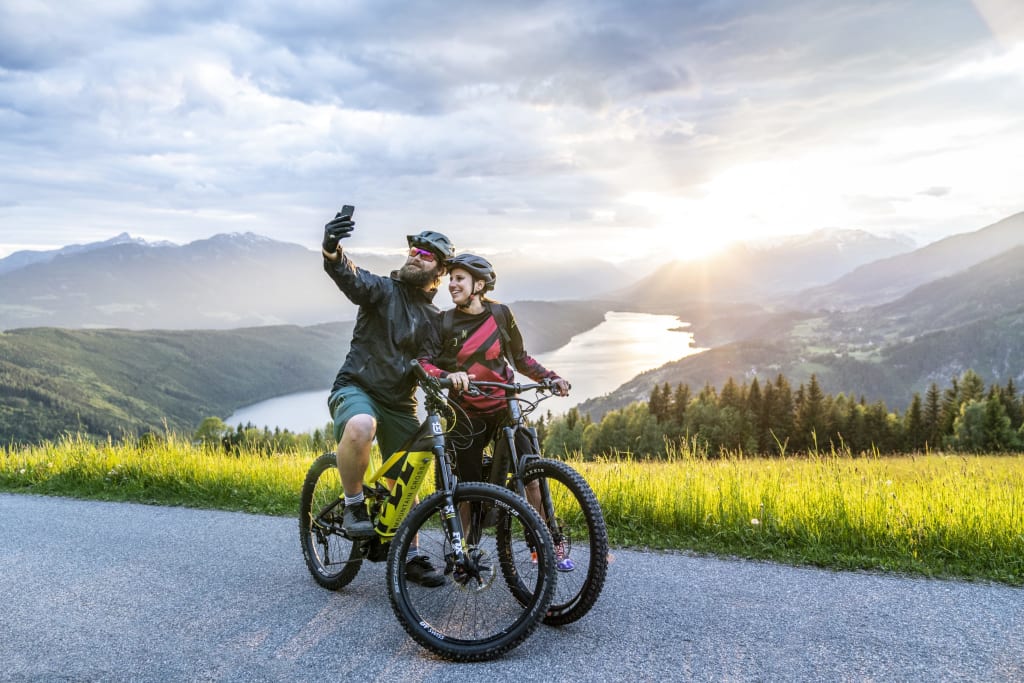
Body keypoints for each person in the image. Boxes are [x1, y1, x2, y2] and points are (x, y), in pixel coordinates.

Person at [416, 253, 575, 571]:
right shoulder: (444, 322)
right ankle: (464, 552)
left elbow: (521, 358)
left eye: (459, 278)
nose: (452, 284)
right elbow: (424, 362)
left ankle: (544, 542)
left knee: (531, 477)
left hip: (505, 407)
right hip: (466, 412)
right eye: (451, 278)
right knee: (466, 488)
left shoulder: (500, 315)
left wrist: (550, 378)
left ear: (478, 284)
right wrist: (448, 377)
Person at [321, 208, 454, 587]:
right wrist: (332, 247)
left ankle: (408, 555)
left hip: (400, 404)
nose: (416, 255)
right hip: (357, 387)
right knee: (361, 425)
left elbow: (443, 365)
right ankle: (352, 506)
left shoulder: (436, 319)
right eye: (414, 250)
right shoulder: (382, 291)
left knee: (407, 475)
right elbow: (350, 278)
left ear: (440, 271)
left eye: (426, 254)